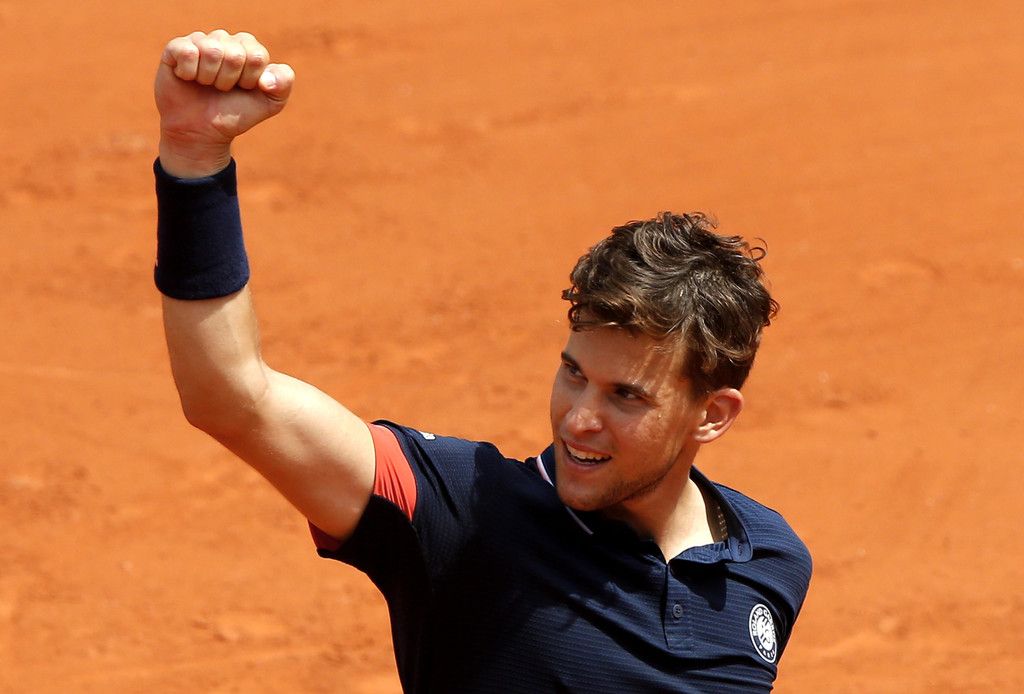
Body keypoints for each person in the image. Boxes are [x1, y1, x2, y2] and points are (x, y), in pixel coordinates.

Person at [154, 29, 812, 693]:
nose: (579, 419)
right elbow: (231, 395)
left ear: (712, 415)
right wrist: (194, 161)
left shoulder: (770, 561)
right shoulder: (466, 515)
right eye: (574, 374)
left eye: (626, 396)